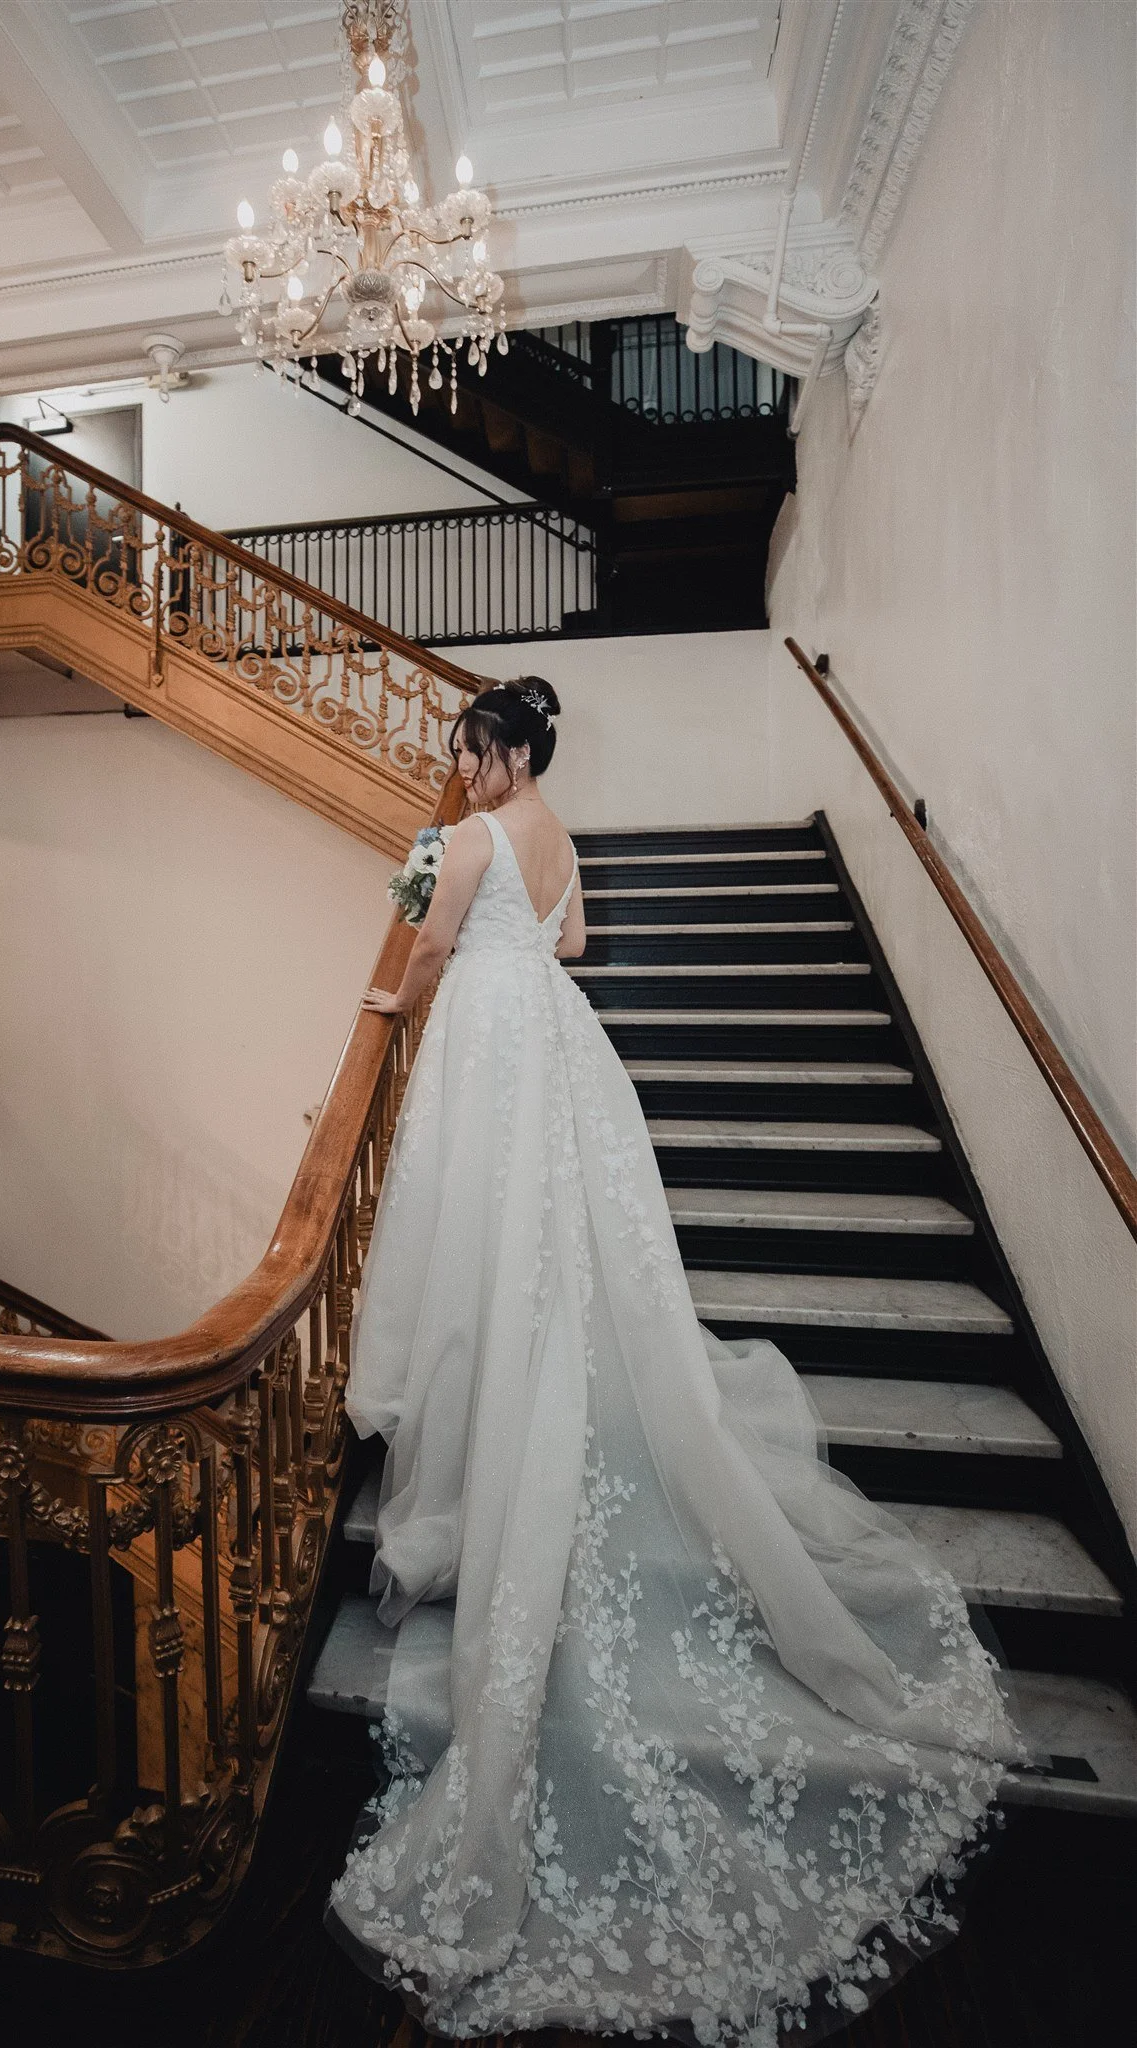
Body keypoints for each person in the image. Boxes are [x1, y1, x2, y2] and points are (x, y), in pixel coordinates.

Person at [327, 679, 1022, 2045]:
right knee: (553, 1255)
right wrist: (497, 943)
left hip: (486, 1044)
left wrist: (392, 978)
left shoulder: (466, 840)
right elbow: (575, 942)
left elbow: (429, 953)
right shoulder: (560, 833)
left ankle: (484, 1439)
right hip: (554, 1045)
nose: (458, 766)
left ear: (505, 750)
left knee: (483, 1243)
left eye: (469, 749)